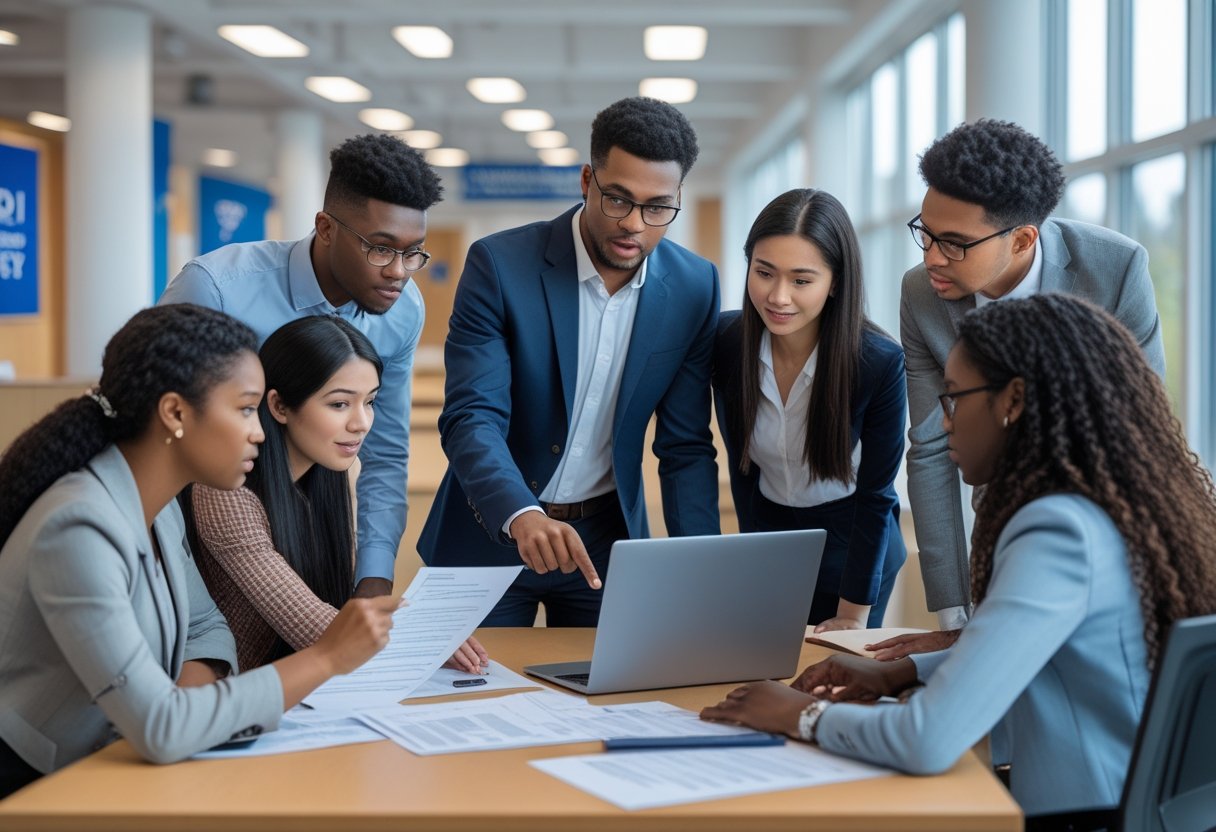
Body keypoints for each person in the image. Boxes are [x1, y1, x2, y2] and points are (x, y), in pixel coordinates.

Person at [701, 294, 1216, 821]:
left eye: (953, 398)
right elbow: (1033, 652)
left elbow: (927, 739)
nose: (944, 422)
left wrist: (799, 714)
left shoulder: (1058, 530)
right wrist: (901, 672)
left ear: (1012, 400)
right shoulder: (1112, 508)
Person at [0, 305, 397, 799]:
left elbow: (206, 628)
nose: (258, 432)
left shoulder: (158, 507)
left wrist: (191, 710)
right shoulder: (77, 525)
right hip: (35, 785)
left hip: (117, 762)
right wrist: (327, 658)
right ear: (175, 413)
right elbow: (163, 727)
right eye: (245, 409)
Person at [419, 96, 720, 626]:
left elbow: (685, 446)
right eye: (618, 200)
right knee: (459, 699)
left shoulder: (695, 286)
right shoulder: (500, 264)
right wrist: (520, 512)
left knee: (610, 701)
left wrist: (701, 568)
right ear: (586, 181)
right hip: (491, 526)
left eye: (657, 208)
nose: (635, 225)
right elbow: (472, 416)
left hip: (605, 543)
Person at [899, 119, 1165, 646]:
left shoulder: (1115, 271)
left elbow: (1144, 430)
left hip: (1103, 530)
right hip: (996, 530)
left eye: (954, 243)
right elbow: (930, 447)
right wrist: (955, 617)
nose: (930, 256)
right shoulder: (921, 294)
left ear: (1023, 239)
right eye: (925, 232)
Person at [160, 133, 444, 599]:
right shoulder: (217, 289)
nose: (398, 271)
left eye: (413, 252)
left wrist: (371, 584)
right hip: (200, 524)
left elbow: (386, 452)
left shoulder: (403, 308)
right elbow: (151, 426)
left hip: (315, 524)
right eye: (380, 248)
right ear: (326, 228)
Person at [184, 316, 487, 675]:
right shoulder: (225, 492)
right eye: (340, 404)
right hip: (234, 702)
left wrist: (425, 628)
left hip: (303, 691)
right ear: (279, 406)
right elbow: (318, 627)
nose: (361, 423)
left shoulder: (334, 475)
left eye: (370, 401)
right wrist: (424, 636)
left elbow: (342, 616)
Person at [713, 189, 906, 631]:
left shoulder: (876, 362)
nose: (778, 297)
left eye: (801, 280)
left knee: (830, 677)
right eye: (764, 273)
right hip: (771, 534)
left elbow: (878, 496)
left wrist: (852, 615)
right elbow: (743, 473)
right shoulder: (727, 342)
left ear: (835, 281)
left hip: (853, 538)